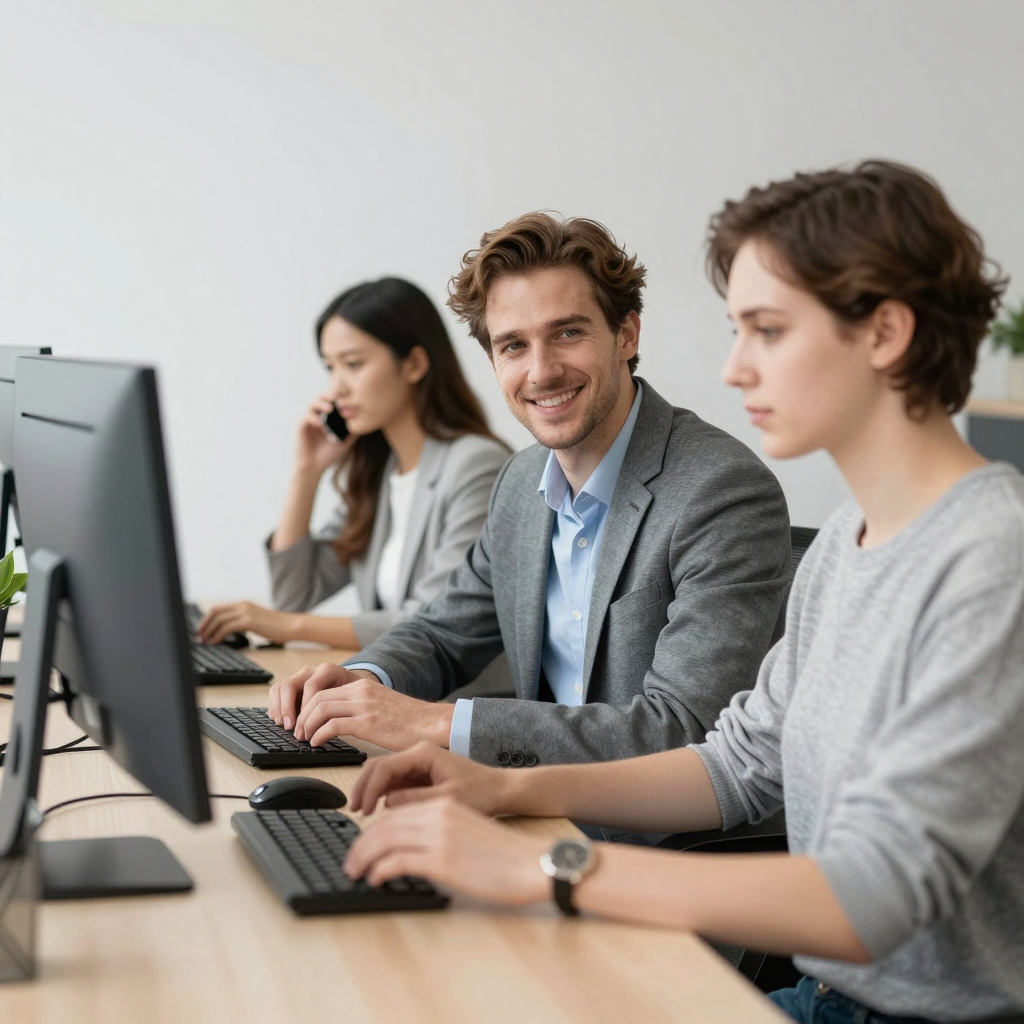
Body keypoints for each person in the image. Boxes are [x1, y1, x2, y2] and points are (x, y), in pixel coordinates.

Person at [338, 162, 1024, 1024]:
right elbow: (737, 764)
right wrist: (501, 792)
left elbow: (876, 896)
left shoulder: (991, 557)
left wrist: (543, 868)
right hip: (823, 996)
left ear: (885, 332)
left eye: (766, 331)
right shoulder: (849, 543)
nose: (734, 369)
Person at [267, 213, 792, 775]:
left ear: (627, 334)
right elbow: (444, 632)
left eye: (567, 332)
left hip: (654, 842)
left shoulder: (721, 491)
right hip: (530, 804)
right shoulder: (521, 483)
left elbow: (684, 730)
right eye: (513, 345)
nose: (541, 371)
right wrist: (363, 679)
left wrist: (433, 723)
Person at [198, 278, 511, 698]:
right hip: (398, 699)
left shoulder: (476, 464)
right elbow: (295, 593)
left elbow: (436, 620)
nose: (337, 387)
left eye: (353, 364)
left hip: (459, 711)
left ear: (414, 364)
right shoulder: (381, 473)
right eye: (331, 368)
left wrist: (281, 625)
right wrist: (306, 472)